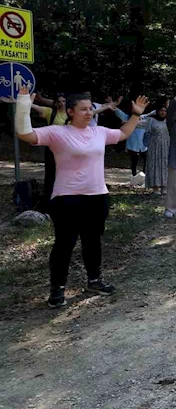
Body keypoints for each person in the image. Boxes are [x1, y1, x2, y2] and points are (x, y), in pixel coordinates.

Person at [12, 86, 149, 308]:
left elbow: (124, 133)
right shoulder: (57, 132)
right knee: (64, 244)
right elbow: (24, 133)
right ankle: (57, 289)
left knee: (92, 241)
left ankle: (94, 280)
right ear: (70, 111)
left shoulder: (100, 132)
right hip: (67, 198)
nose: (89, 113)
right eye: (84, 109)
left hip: (97, 196)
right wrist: (23, 103)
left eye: (91, 109)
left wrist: (136, 113)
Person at [1, 92, 69, 205]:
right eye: (59, 101)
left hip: (67, 150)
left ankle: (66, 201)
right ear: (55, 103)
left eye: (64, 101)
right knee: (51, 175)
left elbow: (90, 112)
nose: (62, 104)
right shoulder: (50, 112)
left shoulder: (73, 114)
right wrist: (16, 101)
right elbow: (32, 106)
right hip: (52, 149)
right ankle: (50, 202)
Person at [141, 103, 170, 195]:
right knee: (155, 164)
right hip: (154, 146)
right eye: (161, 110)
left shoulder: (169, 121)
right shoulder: (151, 120)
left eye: (165, 111)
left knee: (165, 165)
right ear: (157, 111)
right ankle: (155, 187)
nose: (163, 112)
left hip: (166, 146)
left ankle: (165, 186)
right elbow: (141, 124)